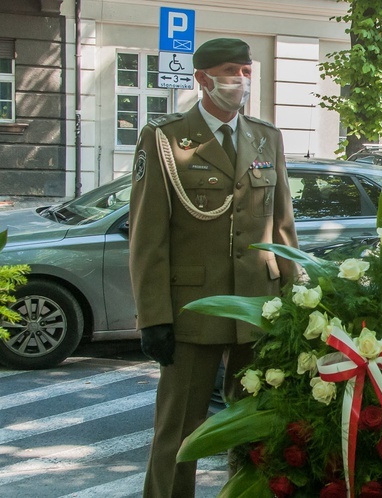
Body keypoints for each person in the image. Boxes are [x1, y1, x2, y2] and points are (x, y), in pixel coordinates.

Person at [129, 38, 298, 498]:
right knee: (179, 430)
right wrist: (154, 316)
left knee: (255, 428)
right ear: (202, 79)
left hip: (258, 308)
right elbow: (148, 237)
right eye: (229, 71)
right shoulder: (166, 139)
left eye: (246, 71)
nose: (240, 80)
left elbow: (282, 229)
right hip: (193, 309)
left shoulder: (266, 137)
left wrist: (296, 301)